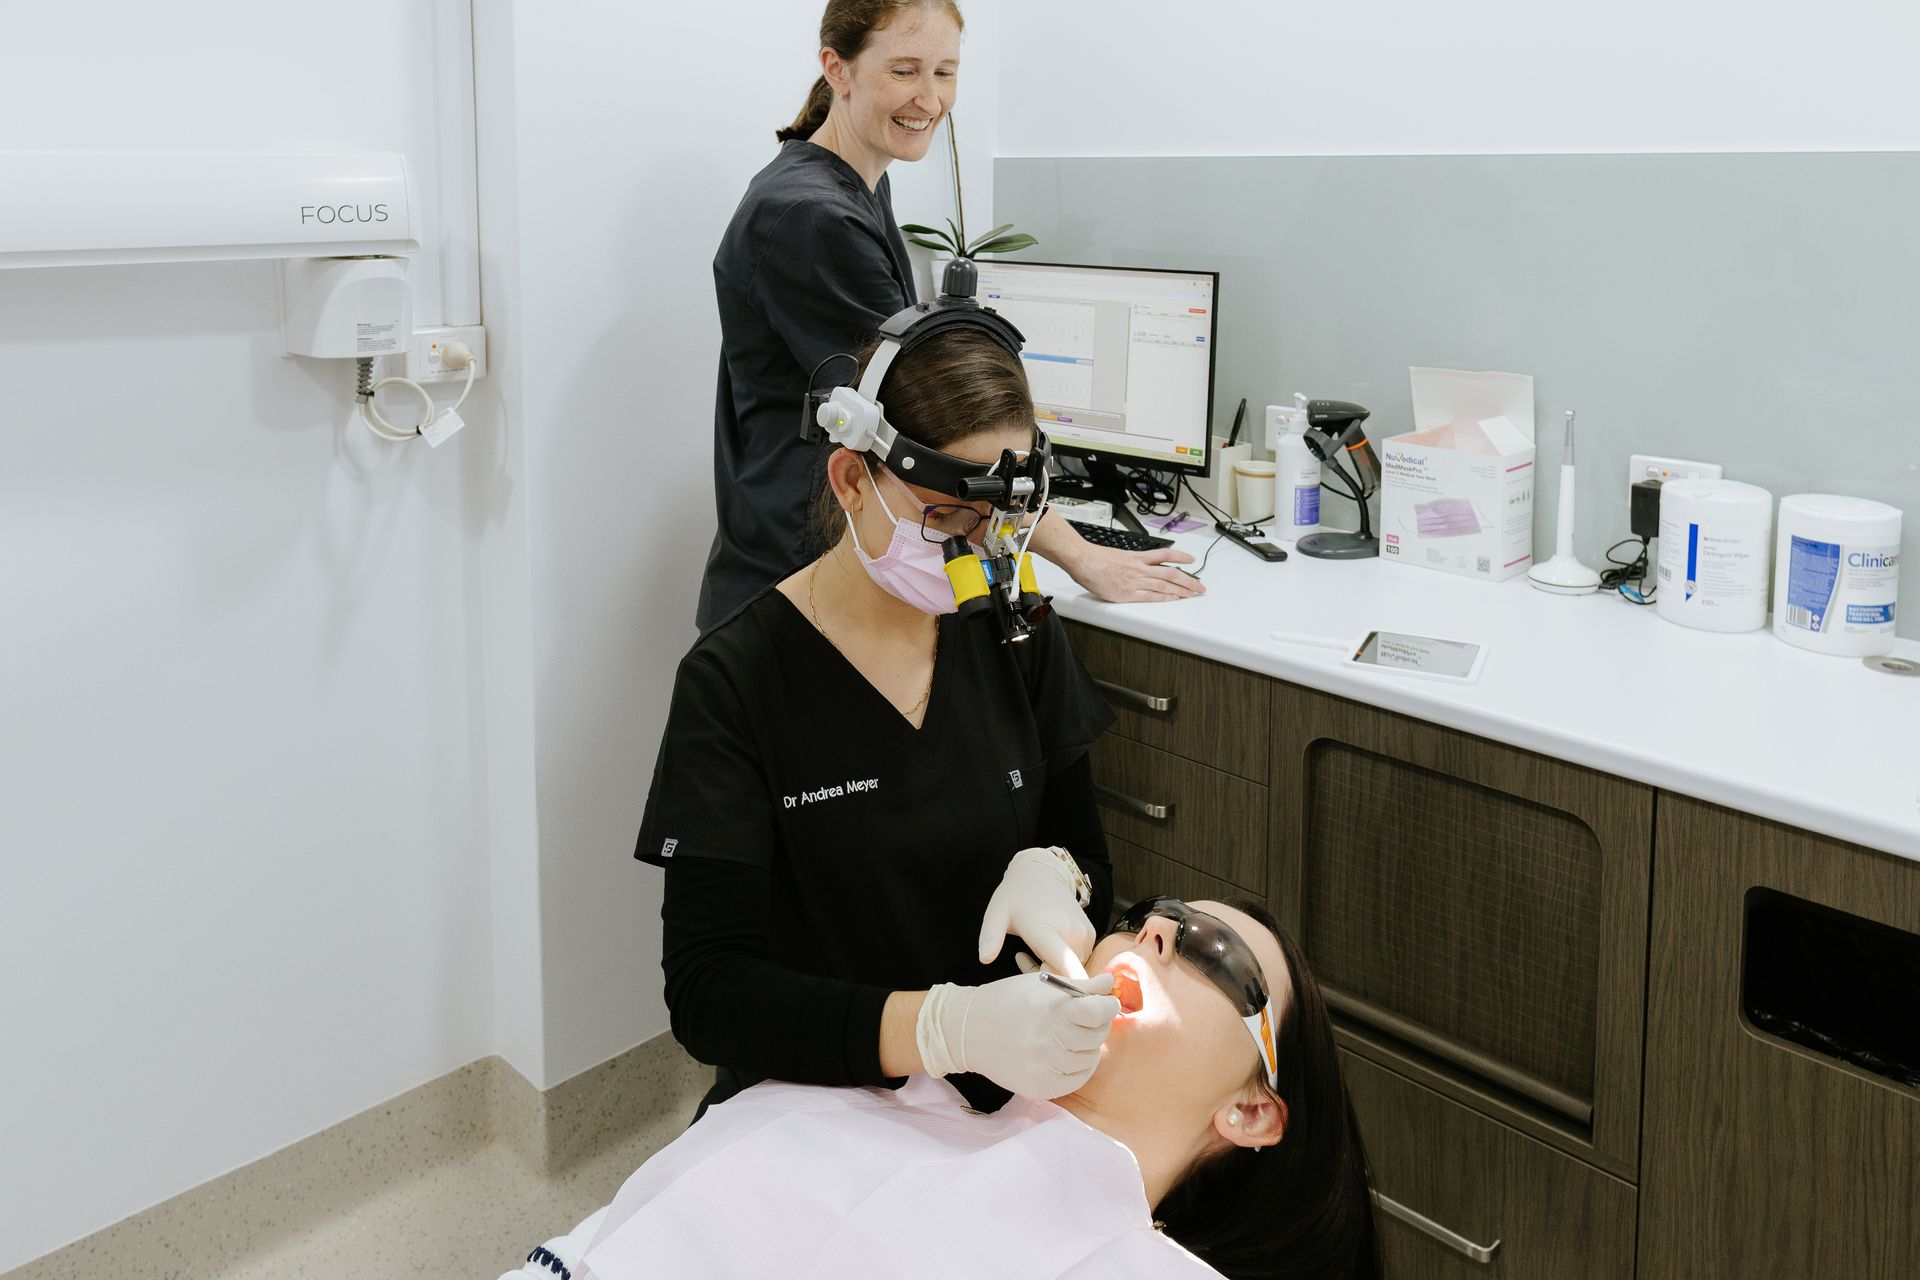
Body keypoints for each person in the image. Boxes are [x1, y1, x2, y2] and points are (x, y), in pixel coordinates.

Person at [641, 301, 1126, 1117]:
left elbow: (1091, 866)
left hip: (995, 1097)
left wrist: (1061, 880)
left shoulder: (1016, 634)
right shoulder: (735, 681)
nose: (980, 551)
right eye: (948, 517)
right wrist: (941, 1028)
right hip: (811, 1102)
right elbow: (708, 995)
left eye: (1002, 522)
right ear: (850, 479)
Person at [497, 899, 1383, 1280]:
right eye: (1150, 916)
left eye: (1209, 954)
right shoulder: (870, 1096)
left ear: (1252, 1109)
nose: (1154, 932)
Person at [699, 0, 1202, 632]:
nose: (930, 99)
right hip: (801, 584)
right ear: (839, 69)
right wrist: (1082, 557)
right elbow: (939, 424)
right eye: (904, 71)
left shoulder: (852, 182)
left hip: (818, 562)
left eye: (945, 72)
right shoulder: (810, 216)